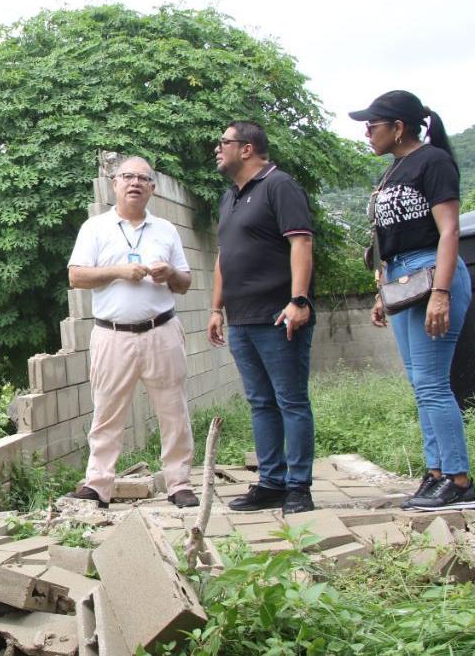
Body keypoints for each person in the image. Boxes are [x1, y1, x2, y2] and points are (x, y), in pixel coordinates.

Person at [351, 90, 475, 511]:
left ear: (398, 127)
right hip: (402, 276)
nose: (367, 133)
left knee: (432, 383)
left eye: (372, 125)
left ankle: (459, 481)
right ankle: (436, 473)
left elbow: (449, 232)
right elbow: (388, 239)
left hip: (431, 272)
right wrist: (383, 291)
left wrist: (440, 292)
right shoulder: (394, 170)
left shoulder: (434, 162)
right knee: (420, 385)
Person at [67, 157, 200, 509]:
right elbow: (76, 276)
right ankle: (98, 485)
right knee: (107, 412)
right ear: (115, 183)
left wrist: (169, 272)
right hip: (112, 335)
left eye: (143, 178)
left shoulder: (166, 230)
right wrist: (118, 272)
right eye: (127, 176)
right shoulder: (94, 228)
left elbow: (185, 283)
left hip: (162, 331)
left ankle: (179, 482)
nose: (135, 183)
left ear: (152, 188)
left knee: (173, 410)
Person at [207, 121, 317, 515]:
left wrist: (299, 300)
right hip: (241, 319)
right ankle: (271, 482)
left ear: (248, 148)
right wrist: (216, 308)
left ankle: (298, 487)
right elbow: (224, 255)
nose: (217, 148)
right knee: (260, 403)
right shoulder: (229, 198)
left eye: (224, 142)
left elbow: (301, 241)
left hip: (278, 315)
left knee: (291, 401)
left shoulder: (279, 185)